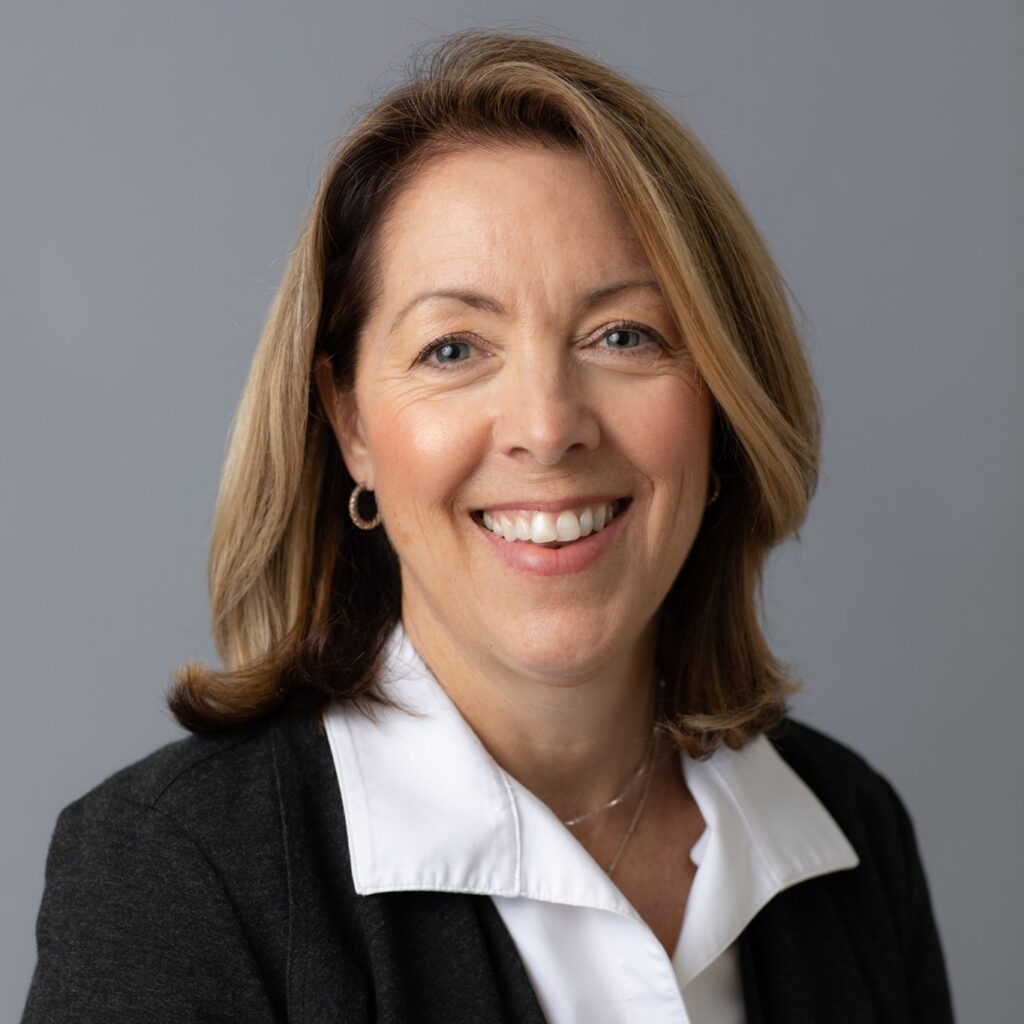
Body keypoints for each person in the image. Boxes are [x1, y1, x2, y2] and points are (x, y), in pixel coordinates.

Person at [21, 28, 954, 1024]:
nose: (547, 428)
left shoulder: (849, 833)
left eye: (623, 334)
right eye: (453, 347)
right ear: (350, 426)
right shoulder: (177, 875)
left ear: (720, 394)